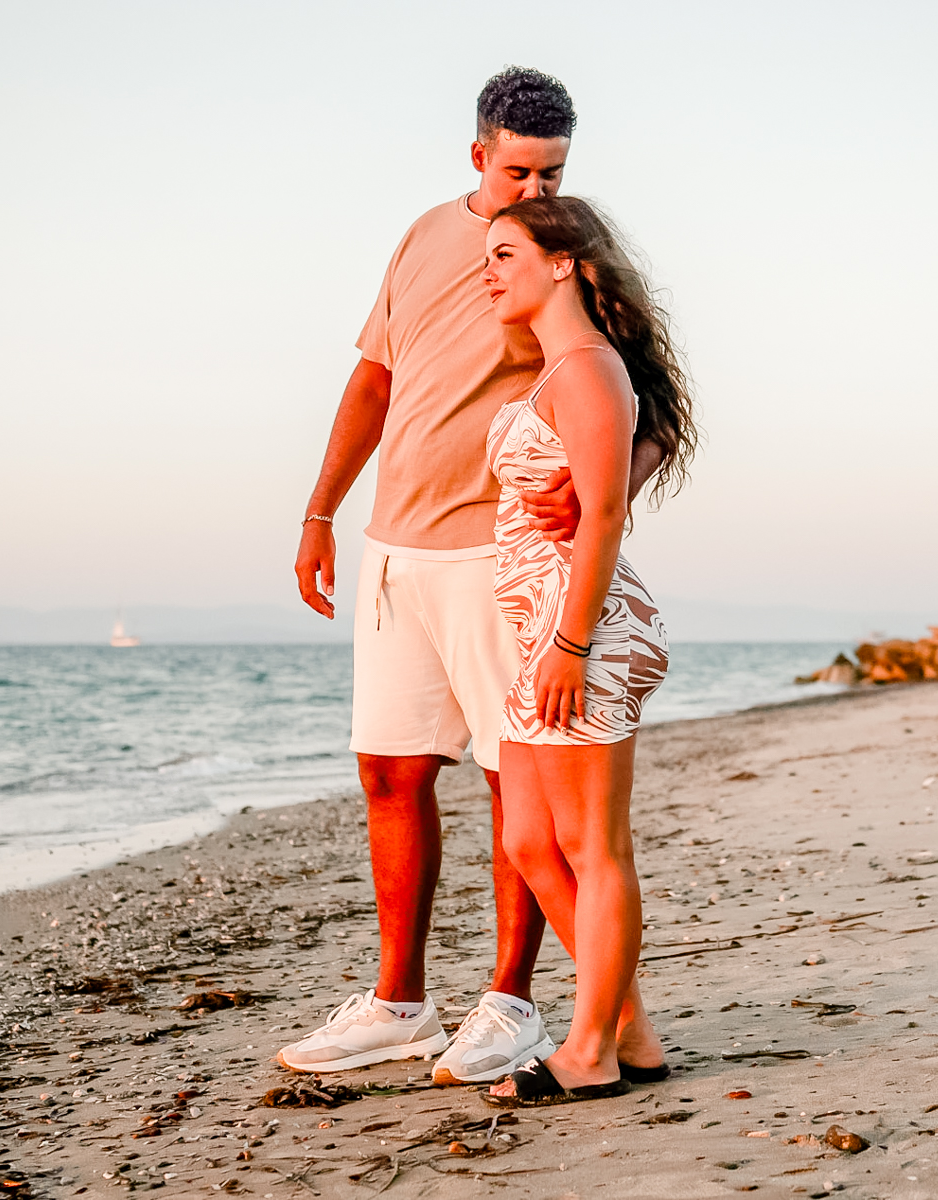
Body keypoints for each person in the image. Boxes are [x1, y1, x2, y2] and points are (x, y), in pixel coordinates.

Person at [283, 67, 663, 1085]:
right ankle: (400, 1003)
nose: (537, 191)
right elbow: (374, 379)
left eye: (555, 173)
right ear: (476, 156)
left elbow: (649, 411)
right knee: (390, 770)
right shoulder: (422, 239)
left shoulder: (560, 255)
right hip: (396, 547)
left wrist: (598, 494)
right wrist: (321, 512)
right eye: (519, 171)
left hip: (502, 559)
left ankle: (512, 1005)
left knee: (517, 789)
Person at [476, 195, 698, 1107]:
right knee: (530, 841)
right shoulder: (557, 370)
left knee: (593, 847)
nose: (488, 271)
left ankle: (590, 1051)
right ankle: (628, 1028)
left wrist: (569, 642)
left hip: (587, 632)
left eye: (503, 254)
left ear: (561, 261)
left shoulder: (587, 368)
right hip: (542, 637)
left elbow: (603, 514)